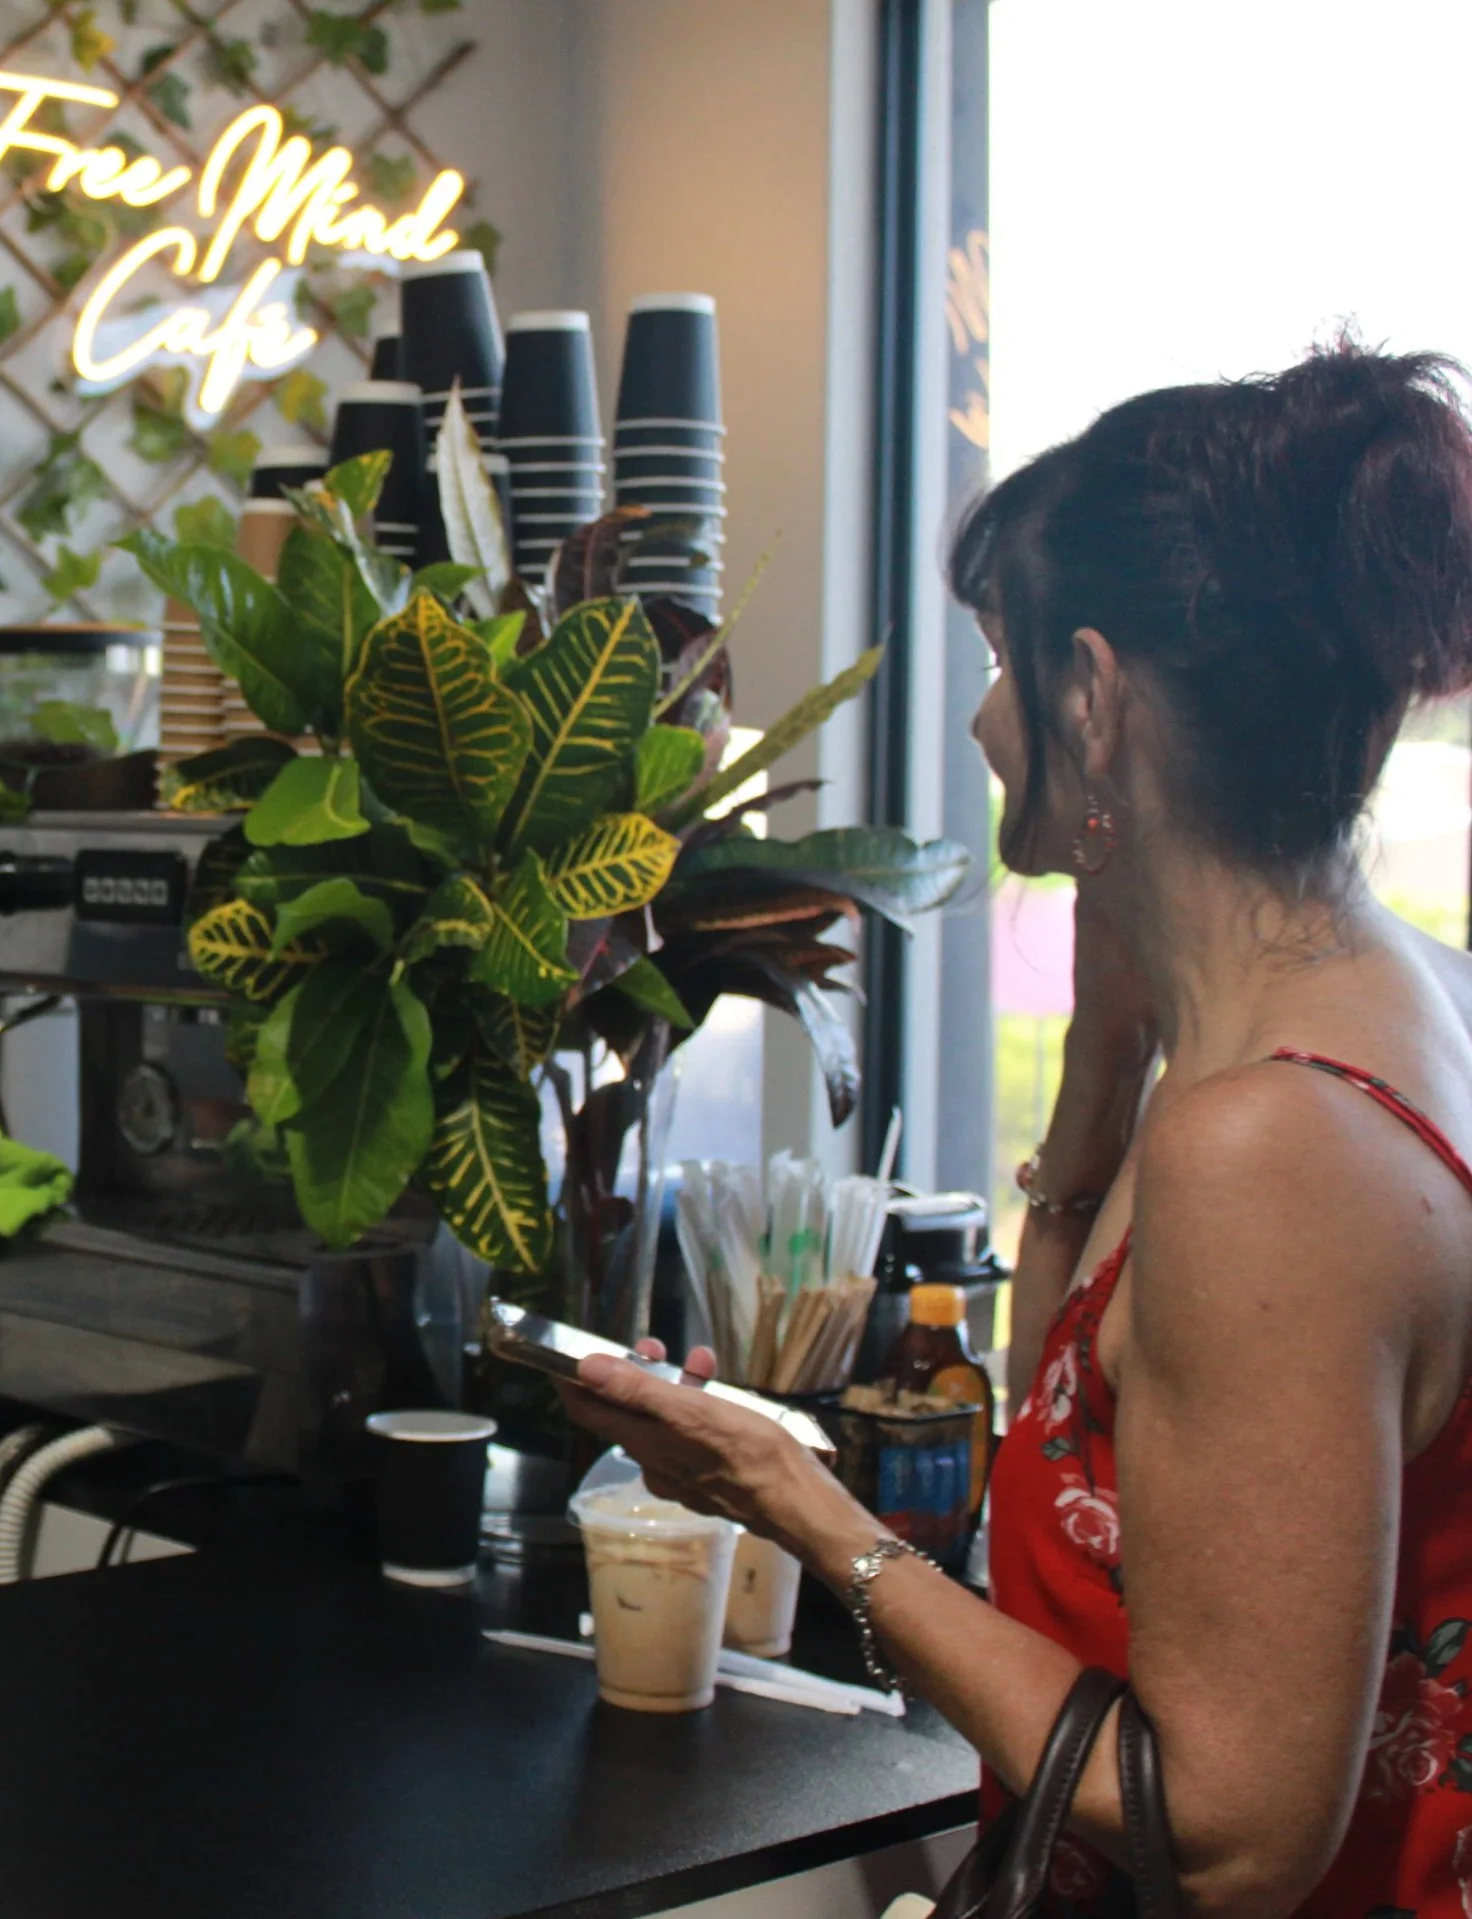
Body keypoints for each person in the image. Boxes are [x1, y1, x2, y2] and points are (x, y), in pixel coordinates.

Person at [562, 342, 1472, 1916]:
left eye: (1003, 657)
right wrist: (1101, 1093)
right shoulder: (1375, 1006)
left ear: (1095, 696)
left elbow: (1233, 1834)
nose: (987, 719)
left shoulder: (1269, 1150)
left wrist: (795, 1500)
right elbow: (1094, 1516)